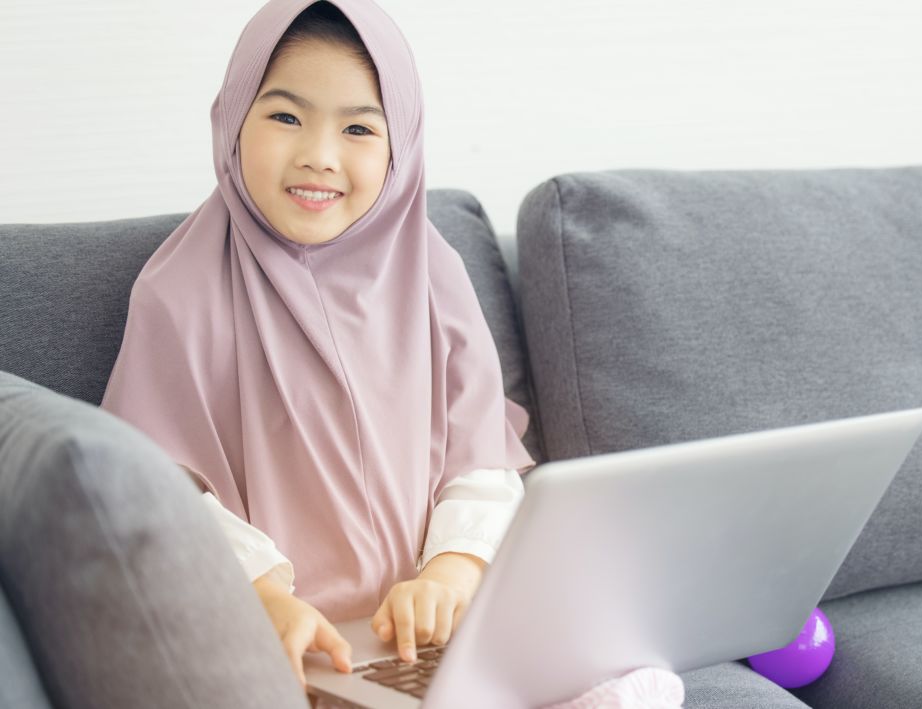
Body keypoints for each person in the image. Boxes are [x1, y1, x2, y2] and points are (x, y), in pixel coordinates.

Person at [101, 0, 685, 705]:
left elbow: (480, 459)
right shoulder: (180, 289)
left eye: (357, 128)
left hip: (434, 637)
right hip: (286, 641)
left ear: (399, 142)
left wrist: (450, 571)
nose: (319, 153)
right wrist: (262, 597)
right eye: (285, 116)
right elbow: (161, 488)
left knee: (643, 679)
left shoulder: (433, 271)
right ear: (233, 121)